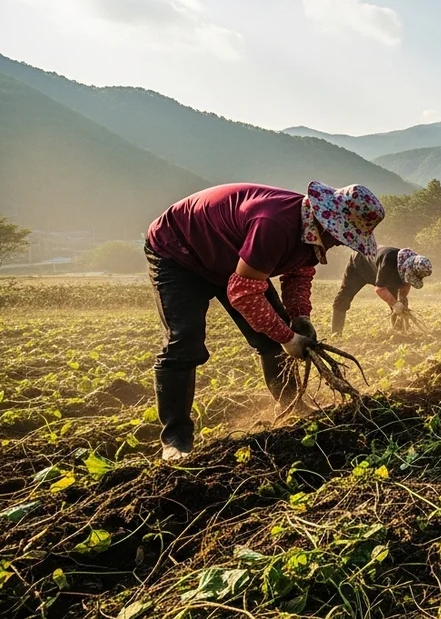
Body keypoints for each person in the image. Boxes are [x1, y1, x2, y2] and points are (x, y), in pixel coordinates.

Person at [145, 181, 384, 461]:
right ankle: (176, 438)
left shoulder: (310, 230)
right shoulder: (274, 225)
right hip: (178, 252)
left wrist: (299, 316)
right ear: (326, 221)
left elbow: (299, 272)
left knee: (271, 337)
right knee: (184, 341)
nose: (340, 242)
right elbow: (244, 294)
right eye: (341, 236)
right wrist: (288, 338)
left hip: (231, 259)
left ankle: (294, 408)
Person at [330, 246, 433, 335]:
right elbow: (380, 289)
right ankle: (336, 333)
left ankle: (399, 332)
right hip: (359, 265)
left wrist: (402, 300)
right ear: (406, 268)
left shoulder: (407, 264)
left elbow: (406, 284)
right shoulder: (388, 261)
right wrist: (395, 304)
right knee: (344, 297)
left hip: (380, 270)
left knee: (397, 304)